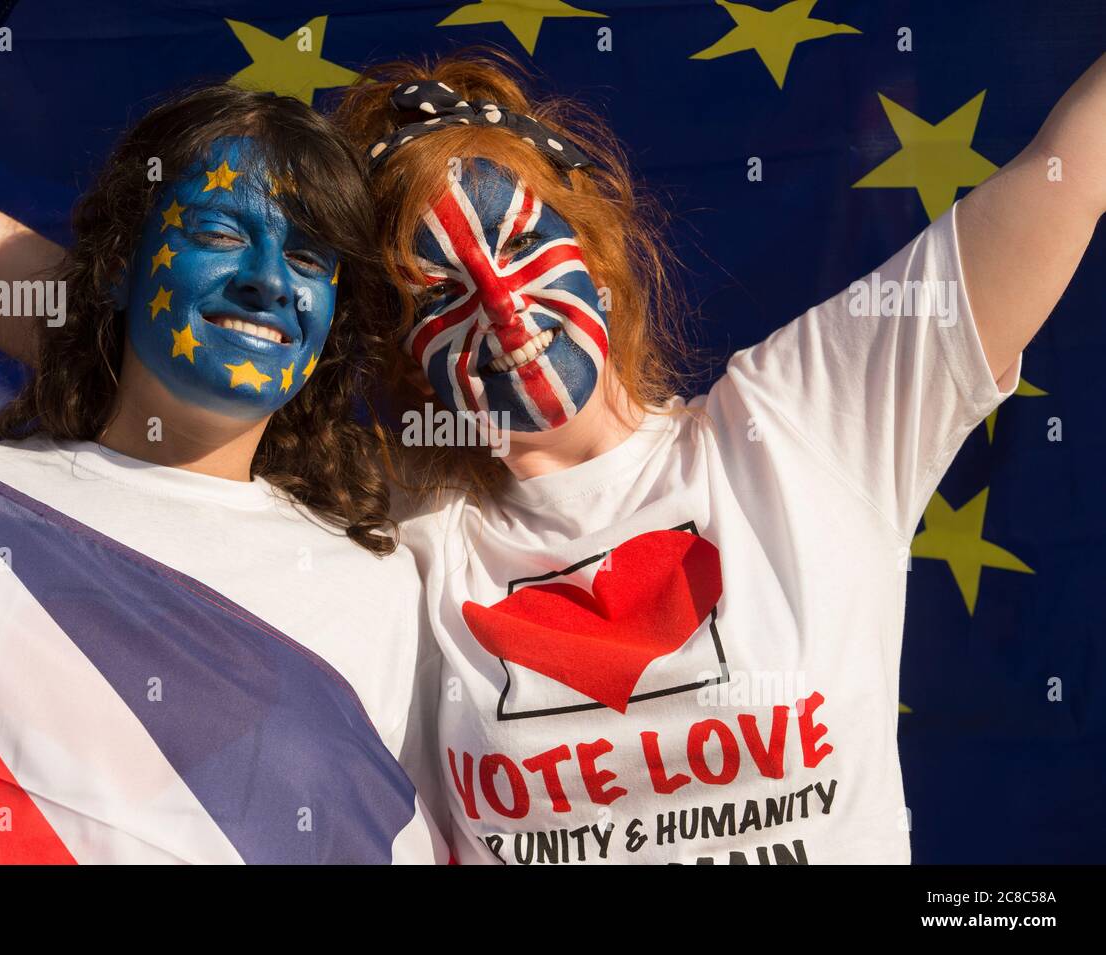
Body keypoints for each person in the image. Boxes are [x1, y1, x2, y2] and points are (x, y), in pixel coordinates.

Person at [326, 50, 1106, 864]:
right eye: (441, 292)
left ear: (594, 259)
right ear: (409, 354)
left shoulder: (803, 428)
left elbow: (1075, 168)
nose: (504, 307)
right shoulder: (397, 549)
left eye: (521, 243)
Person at [0, 85, 447, 863]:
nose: (270, 280)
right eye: (218, 231)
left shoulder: (385, 581)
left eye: (309, 258)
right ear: (119, 266)